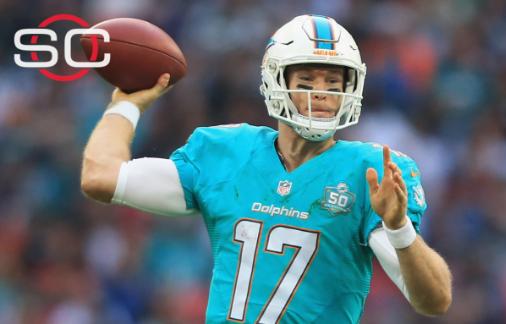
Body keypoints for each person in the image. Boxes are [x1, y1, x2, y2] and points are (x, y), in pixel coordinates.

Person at [81, 14, 452, 323]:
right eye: (307, 81)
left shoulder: (368, 171)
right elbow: (101, 178)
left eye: (334, 82)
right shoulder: (227, 153)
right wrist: (126, 105)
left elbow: (434, 300)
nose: (322, 94)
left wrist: (399, 227)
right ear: (276, 81)